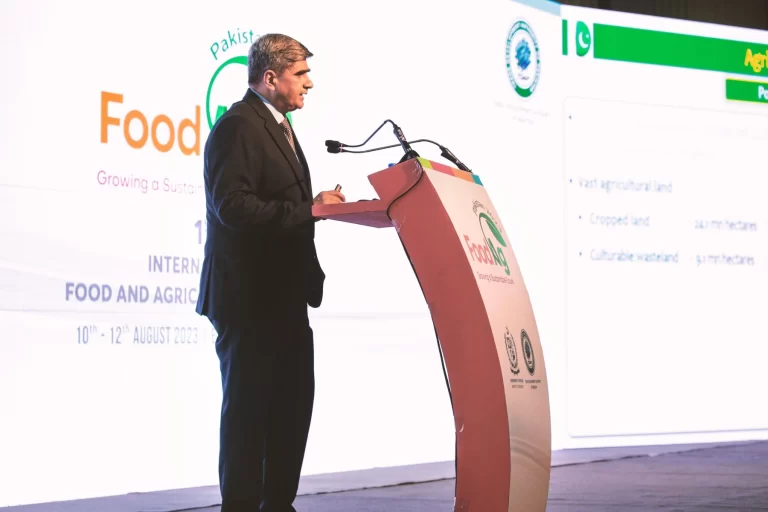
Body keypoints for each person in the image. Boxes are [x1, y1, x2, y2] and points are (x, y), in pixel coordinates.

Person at [195, 33, 345, 512]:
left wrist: (313, 206)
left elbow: (278, 201)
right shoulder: (239, 126)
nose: (309, 83)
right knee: (249, 416)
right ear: (270, 77)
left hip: (284, 297)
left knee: (291, 409)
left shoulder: (279, 127)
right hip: (249, 299)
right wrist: (308, 211)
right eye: (301, 74)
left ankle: (278, 504)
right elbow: (233, 207)